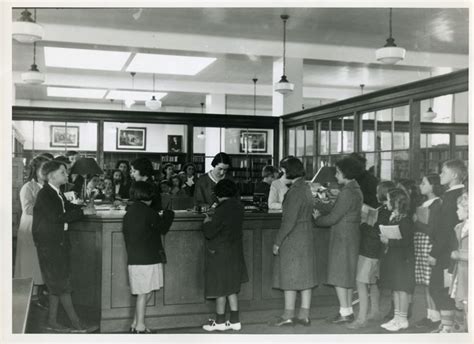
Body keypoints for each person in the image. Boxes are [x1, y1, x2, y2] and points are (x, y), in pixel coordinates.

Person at [32, 160, 97, 332]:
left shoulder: (56, 192)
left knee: (56, 283)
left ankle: (52, 321)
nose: (67, 175)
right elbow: (56, 217)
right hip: (50, 245)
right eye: (63, 172)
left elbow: (67, 207)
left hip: (57, 243)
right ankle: (77, 323)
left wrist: (83, 206)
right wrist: (83, 212)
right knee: (62, 284)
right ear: (52, 176)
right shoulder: (45, 194)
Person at [313, 156, 364, 324]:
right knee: (346, 275)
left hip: (343, 236)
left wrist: (317, 218)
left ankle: (345, 313)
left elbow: (333, 217)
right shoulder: (354, 188)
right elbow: (340, 209)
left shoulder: (347, 192)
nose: (335, 175)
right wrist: (326, 202)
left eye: (338, 172)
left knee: (339, 274)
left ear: (345, 173)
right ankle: (347, 311)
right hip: (350, 234)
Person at [270, 157, 318, 327]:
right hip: (306, 236)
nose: (281, 173)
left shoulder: (294, 191)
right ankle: (304, 315)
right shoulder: (305, 187)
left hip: (293, 238)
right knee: (305, 277)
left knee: (289, 277)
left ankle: (288, 315)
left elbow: (288, 221)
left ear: (288, 170)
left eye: (283, 170)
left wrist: (277, 242)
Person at [122, 181, 174, 334]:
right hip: (149, 258)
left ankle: (135, 323)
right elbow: (163, 228)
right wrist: (169, 214)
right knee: (145, 293)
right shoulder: (149, 212)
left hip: (135, 258)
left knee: (145, 292)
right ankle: (140, 327)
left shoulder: (129, 212)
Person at [347, 180, 395, 329]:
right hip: (377, 251)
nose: (375, 193)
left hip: (369, 250)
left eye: (377, 191)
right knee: (373, 282)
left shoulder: (383, 211)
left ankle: (361, 319)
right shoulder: (388, 210)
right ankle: (375, 311)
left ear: (382, 194)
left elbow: (376, 231)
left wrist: (363, 224)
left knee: (361, 283)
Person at [201, 179, 248, 332]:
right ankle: (235, 321)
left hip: (220, 252)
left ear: (218, 194)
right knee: (232, 288)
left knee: (220, 288)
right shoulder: (239, 207)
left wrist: (207, 221)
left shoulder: (221, 209)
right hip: (235, 251)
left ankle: (220, 322)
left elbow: (210, 233)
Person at [428, 159, 467, 333]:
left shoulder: (454, 197)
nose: (440, 175)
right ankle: (447, 325)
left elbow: (445, 230)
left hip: (446, 252)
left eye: (443, 172)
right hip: (446, 250)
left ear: (455, 175)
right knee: (441, 289)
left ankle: (449, 327)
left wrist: (434, 253)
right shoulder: (449, 195)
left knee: (441, 289)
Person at [14, 156, 50, 309]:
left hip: (43, 228)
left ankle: (38, 294)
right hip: (30, 228)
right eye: (44, 169)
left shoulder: (48, 187)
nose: (47, 172)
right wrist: (48, 209)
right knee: (30, 261)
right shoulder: (28, 187)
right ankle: (32, 297)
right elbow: (28, 209)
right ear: (35, 170)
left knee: (40, 262)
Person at [379, 189, 415, 332]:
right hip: (395, 259)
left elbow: (406, 241)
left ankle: (403, 319)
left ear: (396, 202)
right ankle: (397, 317)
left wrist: (389, 241)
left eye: (388, 200)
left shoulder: (405, 219)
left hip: (403, 261)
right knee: (395, 289)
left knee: (403, 290)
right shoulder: (394, 217)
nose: (386, 202)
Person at [413, 174, 443, 330]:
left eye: (424, 183)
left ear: (433, 186)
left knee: (430, 282)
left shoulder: (437, 204)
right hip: (420, 244)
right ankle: (430, 314)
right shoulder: (426, 202)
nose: (420, 185)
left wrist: (416, 222)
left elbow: (432, 229)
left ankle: (436, 316)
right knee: (425, 284)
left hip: (428, 245)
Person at [449, 192, 468, 332]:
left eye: (459, 208)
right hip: (461, 272)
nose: (456, 211)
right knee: (462, 303)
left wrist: (459, 254)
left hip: (468, 272)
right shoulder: (459, 227)